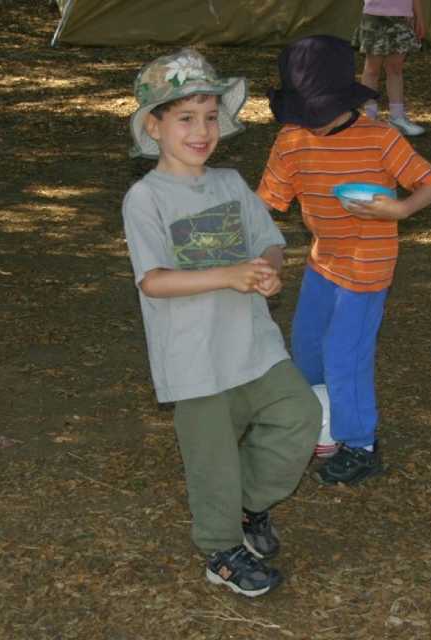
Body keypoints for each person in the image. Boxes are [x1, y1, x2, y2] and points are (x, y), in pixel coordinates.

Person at [121, 48, 322, 598]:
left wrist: (266, 274)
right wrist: (227, 275)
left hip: (253, 344)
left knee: (299, 414)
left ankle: (249, 507)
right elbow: (154, 280)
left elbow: (269, 245)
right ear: (154, 126)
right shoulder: (146, 199)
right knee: (211, 460)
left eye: (210, 116)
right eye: (185, 118)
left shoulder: (232, 183)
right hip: (194, 357)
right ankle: (220, 550)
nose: (202, 130)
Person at [257, 35, 431, 486]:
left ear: (346, 99)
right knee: (306, 349)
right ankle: (323, 425)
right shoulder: (292, 141)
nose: (312, 122)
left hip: (367, 264)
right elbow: (264, 202)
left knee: (345, 354)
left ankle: (361, 443)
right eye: (305, 113)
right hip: (323, 260)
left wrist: (400, 209)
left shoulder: (380, 139)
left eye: (319, 111)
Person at [353, 0, 428, 136]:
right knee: (372, 70)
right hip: (374, 16)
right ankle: (371, 118)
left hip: (402, 17)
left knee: (395, 69)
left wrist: (419, 17)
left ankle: (397, 118)